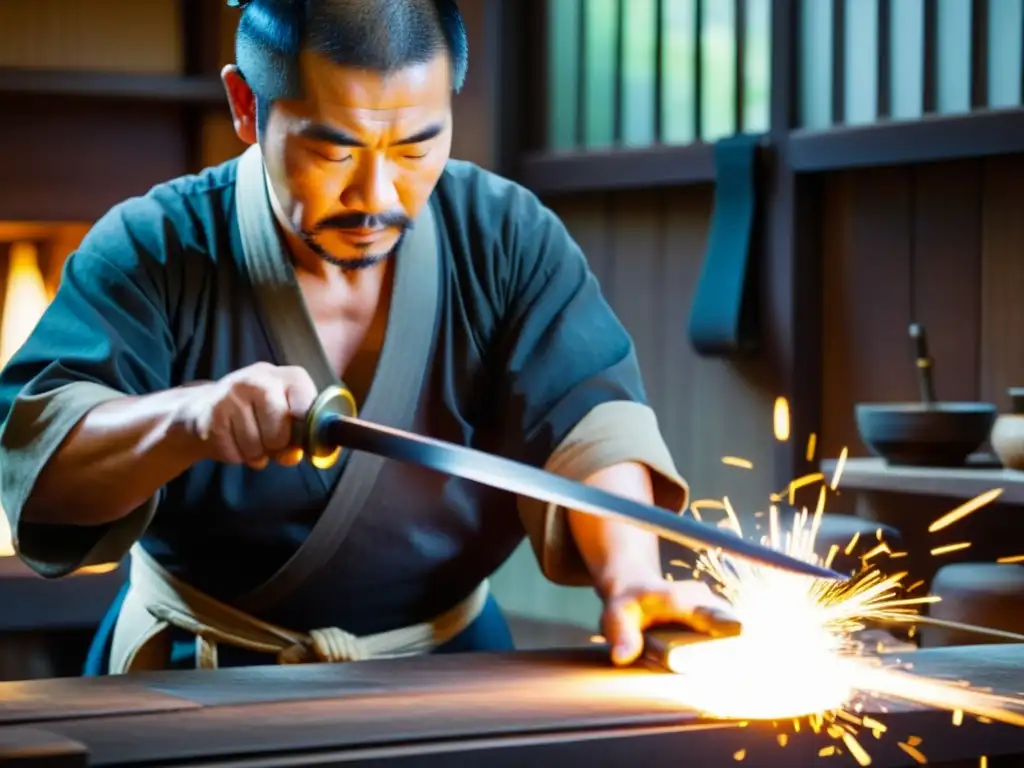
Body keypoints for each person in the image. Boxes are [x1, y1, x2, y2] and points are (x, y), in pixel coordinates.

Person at [0, 0, 737, 675]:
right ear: (246, 107)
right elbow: (42, 461)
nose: (377, 197)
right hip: (196, 674)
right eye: (335, 151)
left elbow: (590, 424)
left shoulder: (507, 238)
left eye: (417, 148)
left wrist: (632, 576)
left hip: (446, 674)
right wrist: (190, 419)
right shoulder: (154, 245)